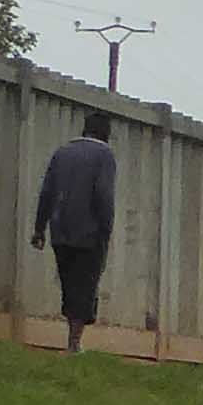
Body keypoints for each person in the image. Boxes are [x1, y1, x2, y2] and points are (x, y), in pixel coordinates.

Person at [32, 109, 119, 350]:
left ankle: (72, 339)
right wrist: (106, 230)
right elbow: (104, 195)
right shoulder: (104, 155)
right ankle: (74, 344)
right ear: (106, 134)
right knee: (86, 285)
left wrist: (40, 228)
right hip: (89, 232)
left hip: (60, 230)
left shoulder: (62, 153)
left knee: (69, 284)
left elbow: (47, 192)